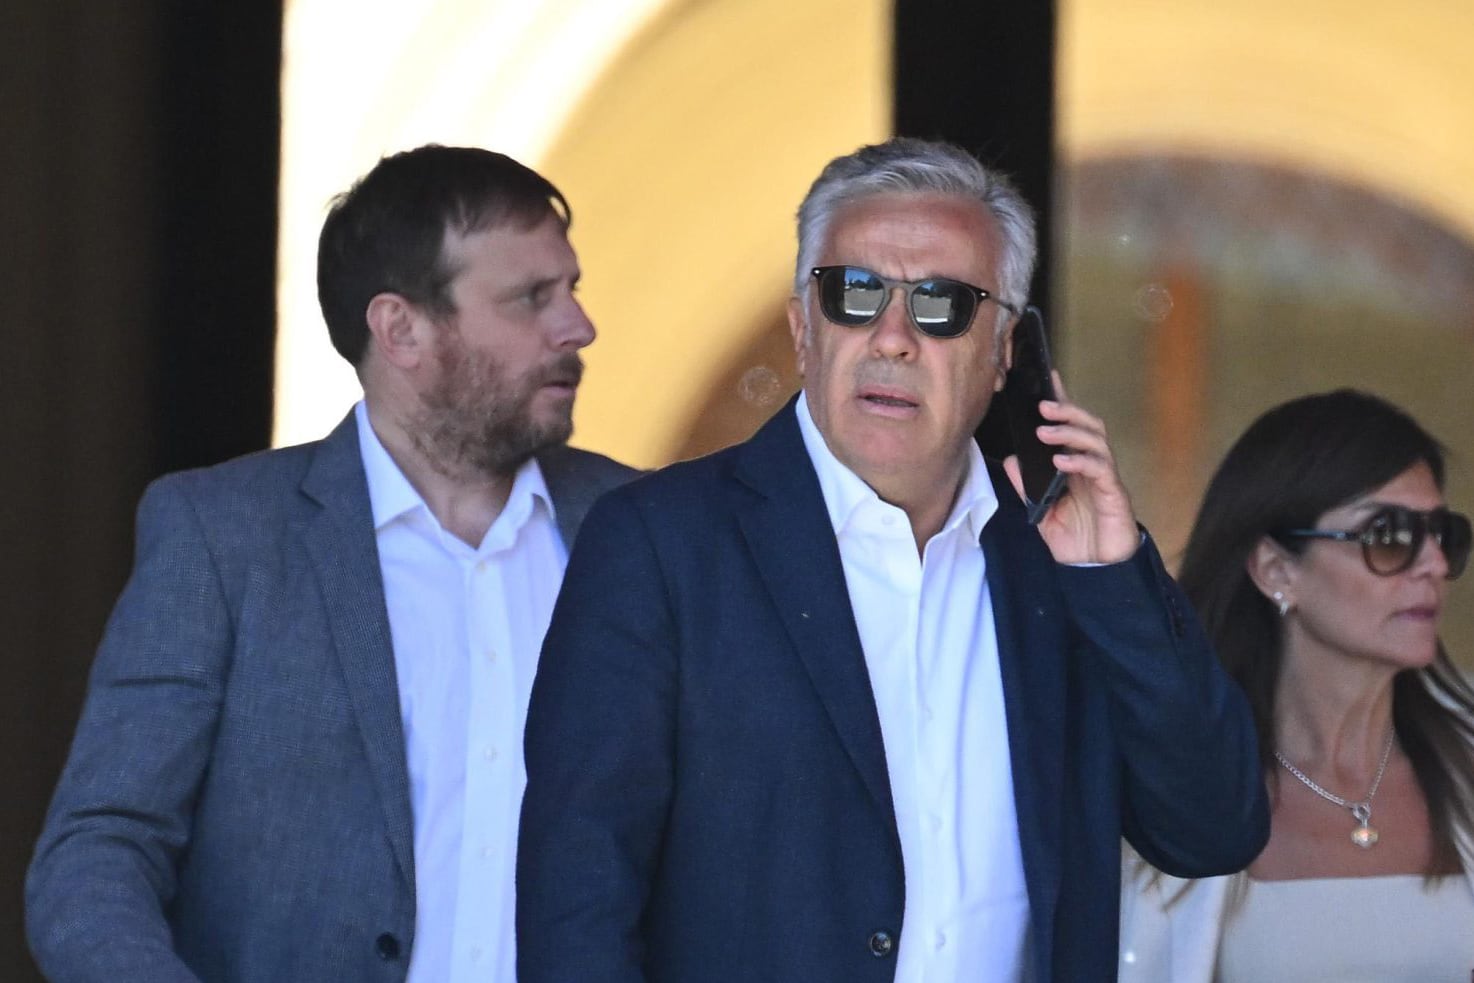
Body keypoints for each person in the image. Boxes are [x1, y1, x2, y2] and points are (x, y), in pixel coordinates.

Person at [516, 137, 1268, 983]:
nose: (893, 337)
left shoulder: (1056, 562)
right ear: (803, 328)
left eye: (942, 303)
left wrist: (1111, 578)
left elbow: (1213, 827)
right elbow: (577, 902)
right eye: (855, 293)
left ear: (1005, 350)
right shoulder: (661, 542)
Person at [26, 145, 635, 983]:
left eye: (571, 288)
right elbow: (100, 850)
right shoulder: (225, 537)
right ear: (401, 329)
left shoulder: (643, 530)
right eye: (532, 297)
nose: (578, 326)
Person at [1119, 389, 1474, 981]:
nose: (1434, 564)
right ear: (1276, 570)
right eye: (1388, 535)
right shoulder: (1173, 785)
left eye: (1444, 534)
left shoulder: (1462, 758)